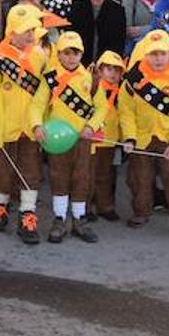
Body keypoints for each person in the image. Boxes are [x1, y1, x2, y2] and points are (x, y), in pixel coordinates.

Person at [29, 31, 106, 243]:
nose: (72, 57)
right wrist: (37, 125)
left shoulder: (91, 79)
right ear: (59, 54)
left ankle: (79, 219)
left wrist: (91, 126)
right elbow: (37, 104)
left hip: (82, 139)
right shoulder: (50, 79)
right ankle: (59, 218)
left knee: (82, 178)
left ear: (82, 54)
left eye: (76, 53)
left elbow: (101, 107)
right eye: (67, 53)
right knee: (58, 176)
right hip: (57, 139)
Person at [119, 29, 169, 241]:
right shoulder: (132, 81)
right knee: (139, 177)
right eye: (153, 54)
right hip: (141, 137)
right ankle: (141, 211)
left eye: (162, 53)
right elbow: (126, 112)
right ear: (145, 54)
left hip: (167, 140)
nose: (158, 59)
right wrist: (130, 137)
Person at [0, 8, 47, 244]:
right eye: (25, 30)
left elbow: (45, 93)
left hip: (29, 127)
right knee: (2, 169)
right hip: (4, 127)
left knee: (31, 169)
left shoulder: (40, 57)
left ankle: (27, 212)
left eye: (32, 30)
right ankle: (0, 206)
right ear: (11, 32)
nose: (31, 35)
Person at [88, 51, 126, 222]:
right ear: (100, 70)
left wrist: (125, 139)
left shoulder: (122, 93)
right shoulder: (92, 87)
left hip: (110, 141)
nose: (113, 73)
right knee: (87, 174)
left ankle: (105, 206)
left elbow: (125, 117)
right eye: (108, 69)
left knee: (106, 174)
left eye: (117, 70)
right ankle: (85, 206)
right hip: (92, 140)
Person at [67, 0, 128, 66]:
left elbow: (119, 43)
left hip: (107, 65)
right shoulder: (77, 7)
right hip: (79, 62)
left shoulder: (118, 11)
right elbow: (71, 37)